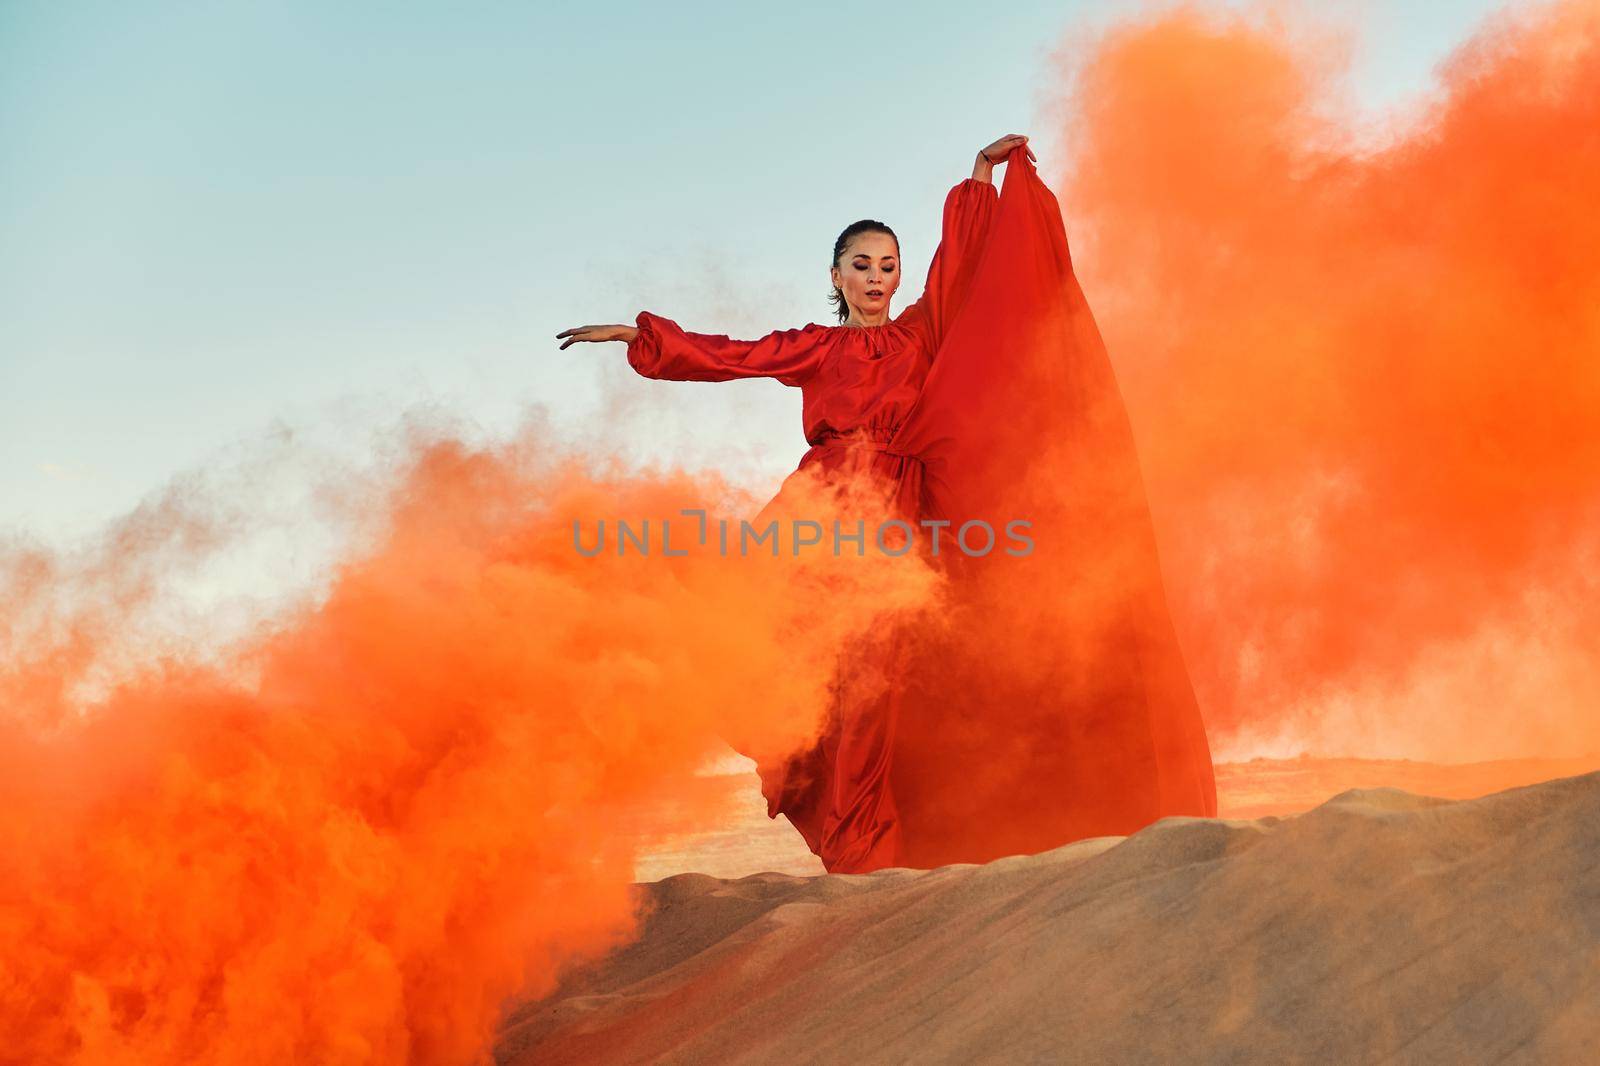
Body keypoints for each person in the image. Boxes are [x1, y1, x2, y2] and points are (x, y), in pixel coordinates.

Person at [558, 135, 1217, 873]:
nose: (877, 278)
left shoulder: (918, 334)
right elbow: (731, 355)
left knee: (883, 695)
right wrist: (640, 337)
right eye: (862, 266)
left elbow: (963, 276)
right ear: (836, 276)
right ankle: (856, 855)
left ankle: (875, 860)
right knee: (808, 678)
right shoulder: (814, 346)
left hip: (904, 523)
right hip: (823, 517)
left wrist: (978, 180)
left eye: (888, 266)